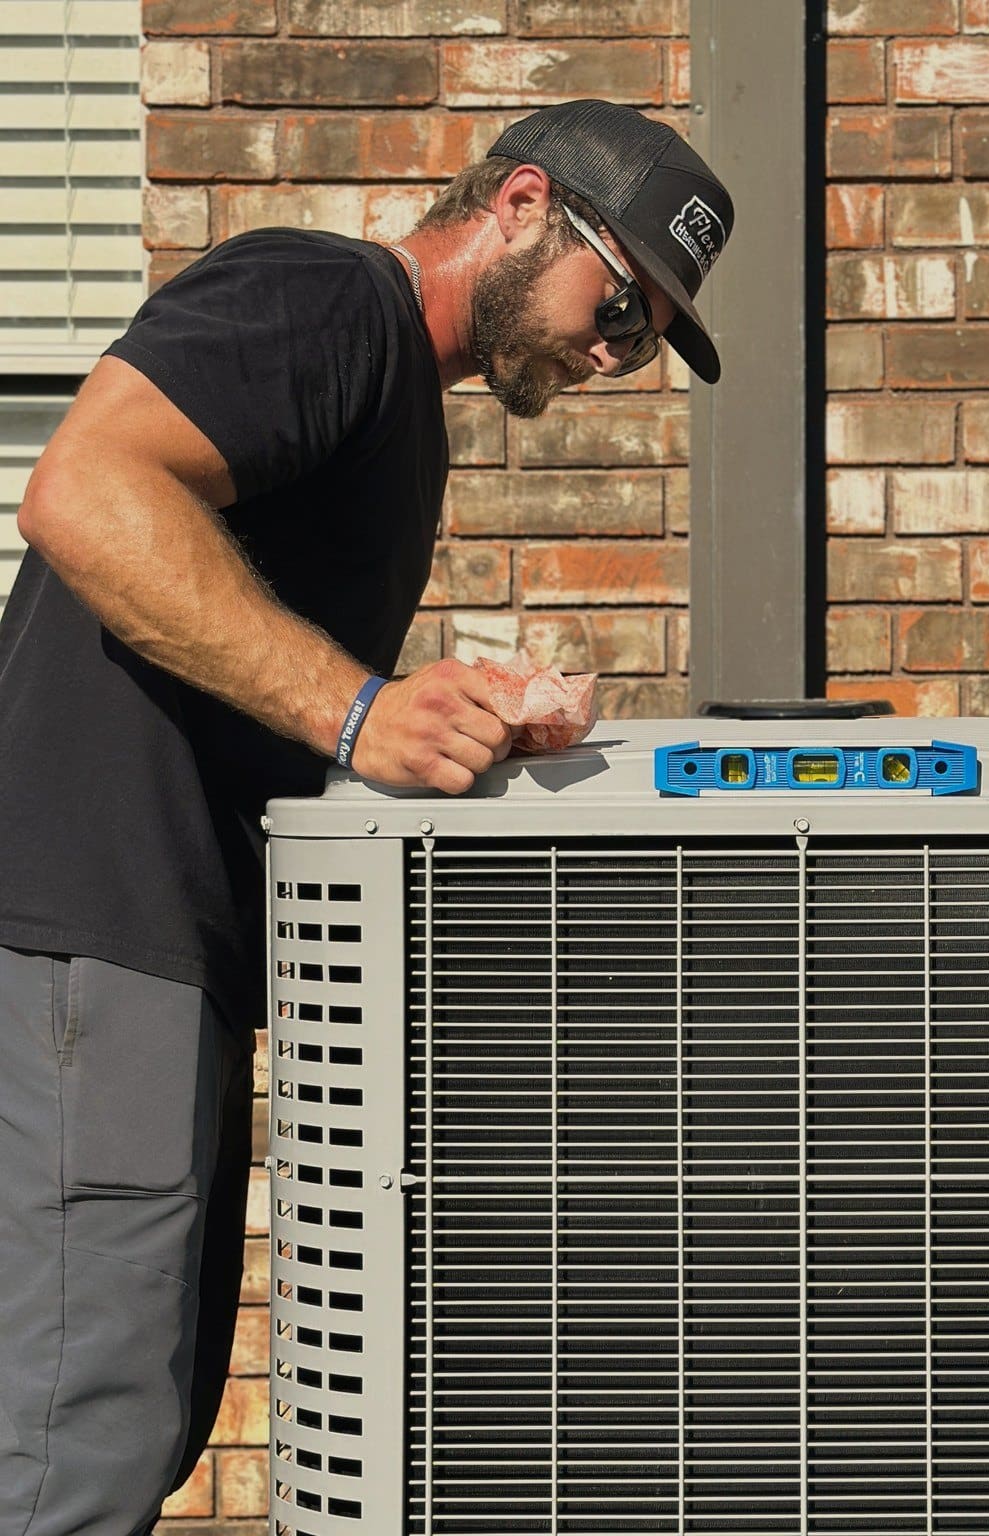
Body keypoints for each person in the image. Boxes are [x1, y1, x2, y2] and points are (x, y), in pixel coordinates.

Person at [0, 98, 733, 1535]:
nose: (613, 350)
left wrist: (451, 734)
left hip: (163, 965)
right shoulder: (327, 298)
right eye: (618, 304)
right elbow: (83, 488)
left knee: (132, 1419)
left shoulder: (400, 410)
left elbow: (241, 666)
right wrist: (356, 711)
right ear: (523, 205)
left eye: (645, 336)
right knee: (70, 1448)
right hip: (95, 942)